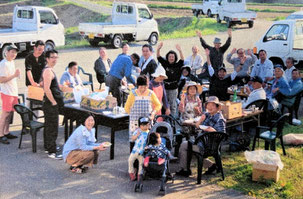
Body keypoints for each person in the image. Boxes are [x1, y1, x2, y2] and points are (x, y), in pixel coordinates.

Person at [176, 96, 226, 177]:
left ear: (217, 107)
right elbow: (197, 126)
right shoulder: (207, 115)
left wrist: (213, 131)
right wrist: (200, 120)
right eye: (208, 105)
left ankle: (186, 170)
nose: (210, 107)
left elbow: (222, 135)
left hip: (210, 146)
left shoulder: (220, 119)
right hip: (202, 143)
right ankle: (209, 166)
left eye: (212, 105)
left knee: (187, 146)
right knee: (186, 145)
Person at [124, 75, 161, 150]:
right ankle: (134, 159)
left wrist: (153, 113)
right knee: (134, 140)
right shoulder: (133, 94)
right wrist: (132, 115)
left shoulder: (151, 93)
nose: (143, 89)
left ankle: (146, 158)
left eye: (145, 87)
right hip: (135, 122)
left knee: (146, 140)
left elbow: (158, 105)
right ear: (137, 86)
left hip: (147, 122)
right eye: (141, 87)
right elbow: (127, 108)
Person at [41, 50, 64, 159]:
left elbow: (44, 84)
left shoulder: (48, 70)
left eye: (56, 57)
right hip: (50, 104)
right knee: (52, 127)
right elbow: (46, 89)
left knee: (48, 126)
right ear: (47, 59)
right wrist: (54, 102)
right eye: (52, 57)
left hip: (48, 103)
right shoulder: (48, 71)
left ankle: (48, 147)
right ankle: (52, 152)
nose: (55, 59)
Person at [157, 42, 184, 117]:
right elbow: (158, 57)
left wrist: (180, 51)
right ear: (167, 57)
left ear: (175, 58)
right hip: (164, 87)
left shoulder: (177, 65)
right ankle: (163, 118)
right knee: (163, 103)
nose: (171, 58)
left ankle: (172, 120)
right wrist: (158, 49)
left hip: (173, 87)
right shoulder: (165, 63)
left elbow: (182, 60)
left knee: (173, 104)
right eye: (170, 57)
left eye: (173, 57)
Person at [0, 45, 20, 144]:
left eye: (15, 52)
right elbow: (1, 80)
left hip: (13, 92)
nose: (14, 54)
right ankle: (0, 134)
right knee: (5, 114)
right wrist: (14, 75)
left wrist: (15, 75)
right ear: (6, 52)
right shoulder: (3, 64)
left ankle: (6, 132)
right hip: (7, 92)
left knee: (10, 114)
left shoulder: (11, 62)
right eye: (12, 52)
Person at [128, 117, 150, 181]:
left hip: (142, 152)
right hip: (135, 150)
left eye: (147, 125)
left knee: (141, 164)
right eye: (143, 125)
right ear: (140, 126)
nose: (145, 127)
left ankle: (139, 175)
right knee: (130, 160)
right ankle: (131, 173)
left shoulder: (149, 133)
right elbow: (133, 138)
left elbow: (149, 142)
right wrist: (137, 135)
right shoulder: (138, 131)